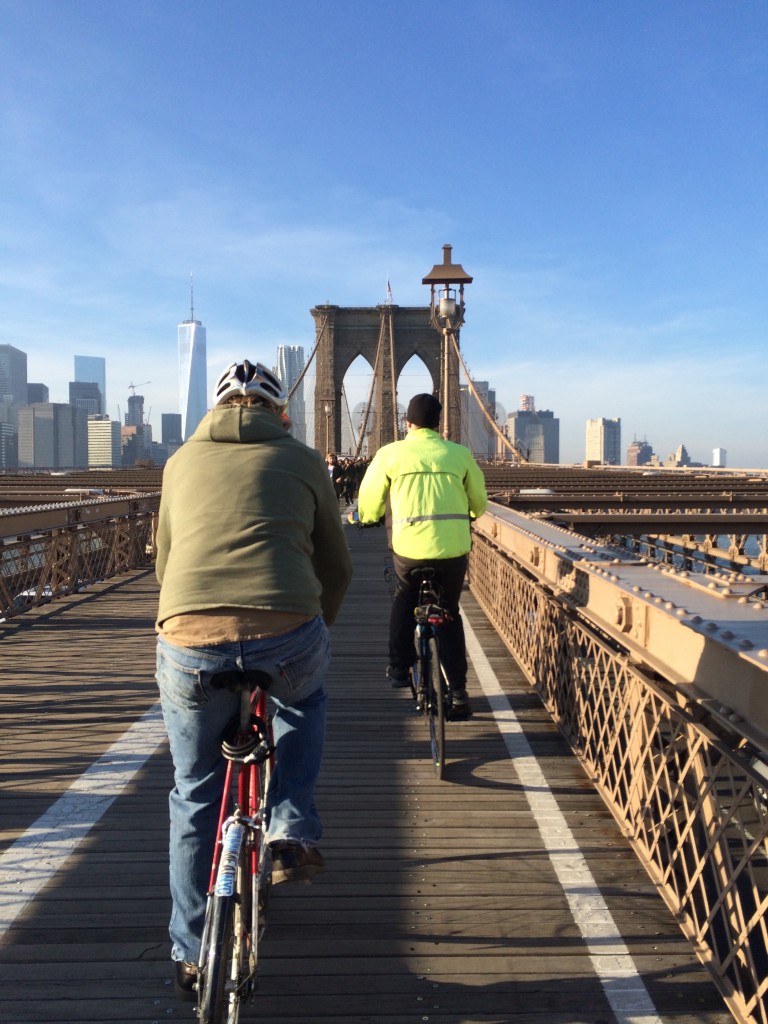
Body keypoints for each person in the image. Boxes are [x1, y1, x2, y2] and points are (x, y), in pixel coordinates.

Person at [155, 359, 352, 1000]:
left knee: (194, 794)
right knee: (305, 696)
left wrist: (190, 617)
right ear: (281, 410)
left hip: (189, 640)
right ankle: (292, 828)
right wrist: (319, 624)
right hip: (287, 631)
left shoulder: (180, 462)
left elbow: (163, 559)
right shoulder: (302, 459)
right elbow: (336, 563)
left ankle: (189, 952)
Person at [356, 393, 487, 719]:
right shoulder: (460, 455)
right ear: (438, 423)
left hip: (409, 550)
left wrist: (367, 517)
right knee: (449, 614)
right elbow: (480, 504)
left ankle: (400, 667)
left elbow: (369, 500)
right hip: (453, 551)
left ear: (408, 423)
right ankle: (457, 694)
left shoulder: (390, 454)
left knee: (404, 597)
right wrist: (467, 511)